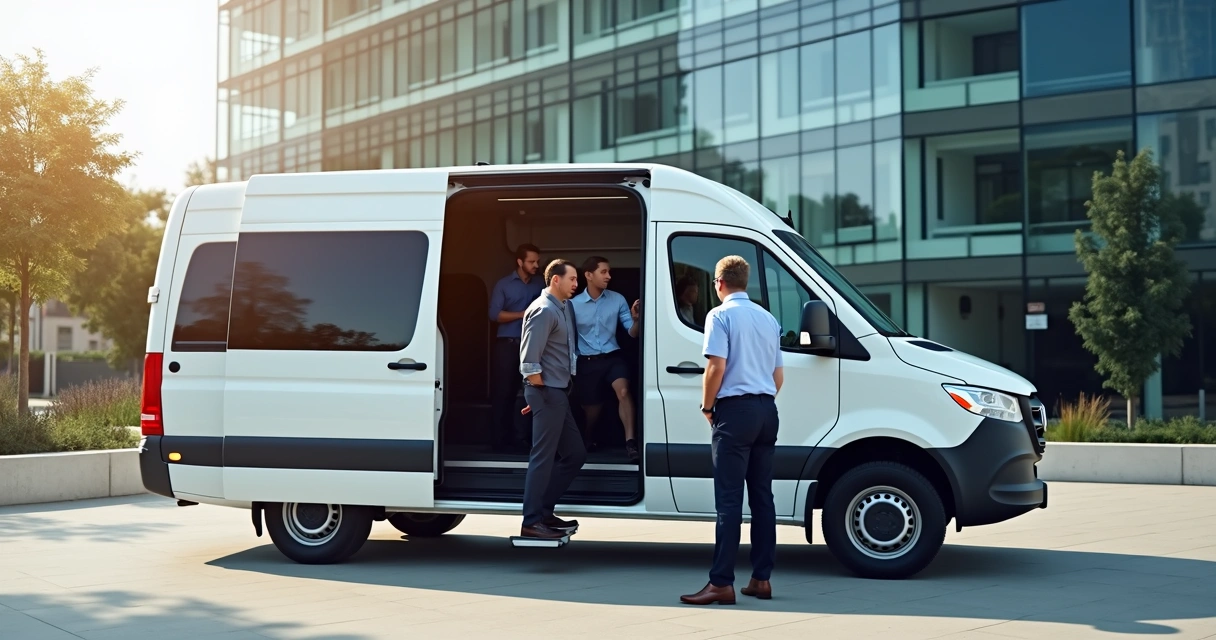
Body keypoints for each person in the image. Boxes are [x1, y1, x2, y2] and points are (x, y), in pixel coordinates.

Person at [680, 255, 784, 606]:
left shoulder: (719, 315)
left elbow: (716, 366)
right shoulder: (768, 319)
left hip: (734, 411)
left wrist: (708, 407)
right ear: (746, 282)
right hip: (767, 410)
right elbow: (778, 376)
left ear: (719, 283)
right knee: (763, 499)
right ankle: (761, 579)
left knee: (728, 501)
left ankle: (721, 583)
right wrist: (760, 403)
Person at [517, 259, 588, 540]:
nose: (576, 284)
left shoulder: (562, 307)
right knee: (542, 457)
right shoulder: (544, 310)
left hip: (556, 392)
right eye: (572, 279)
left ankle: (544, 511)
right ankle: (531, 522)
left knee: (575, 454)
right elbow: (529, 361)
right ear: (555, 280)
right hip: (548, 392)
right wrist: (539, 393)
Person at [571, 256, 641, 462]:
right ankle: (589, 437)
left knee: (624, 391)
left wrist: (636, 320)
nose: (609, 276)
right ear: (588, 275)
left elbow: (632, 333)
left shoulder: (617, 299)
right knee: (592, 410)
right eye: (604, 272)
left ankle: (630, 443)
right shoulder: (573, 305)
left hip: (613, 358)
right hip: (587, 361)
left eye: (609, 272)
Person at [488, 244, 544, 453]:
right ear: (520, 262)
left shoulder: (540, 284)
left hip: (532, 346)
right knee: (504, 393)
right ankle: (499, 442)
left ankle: (522, 440)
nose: (536, 265)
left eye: (537, 261)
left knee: (529, 394)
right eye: (531, 261)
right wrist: (523, 314)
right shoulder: (504, 285)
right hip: (508, 345)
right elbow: (495, 315)